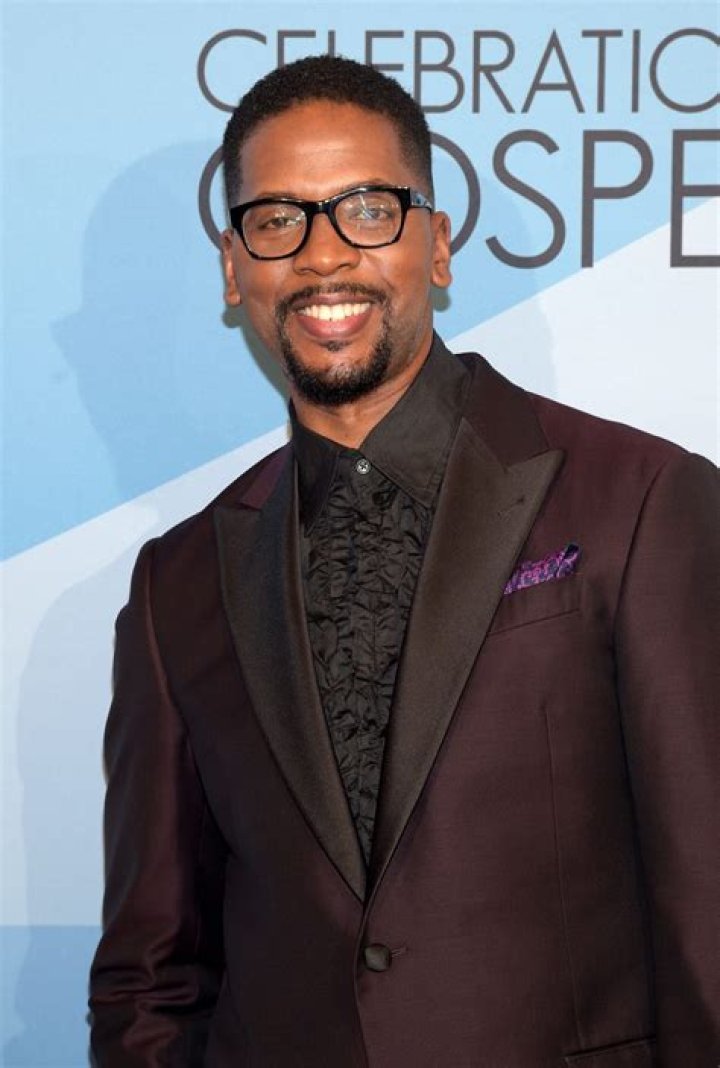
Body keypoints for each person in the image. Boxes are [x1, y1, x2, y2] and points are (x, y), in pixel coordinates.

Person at [88, 55, 719, 1066]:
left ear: (438, 244)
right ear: (234, 268)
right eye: (278, 219)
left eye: (367, 210)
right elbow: (153, 974)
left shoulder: (640, 501)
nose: (323, 255)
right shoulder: (179, 584)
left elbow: (707, 907)